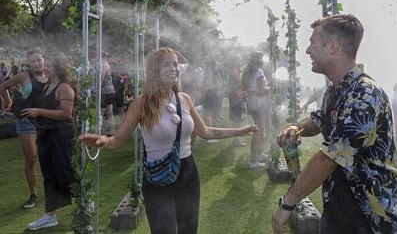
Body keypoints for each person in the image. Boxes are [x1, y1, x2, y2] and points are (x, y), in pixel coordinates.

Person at [78, 47, 257, 234]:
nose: (174, 68)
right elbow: (117, 140)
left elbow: (204, 131)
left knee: (189, 229)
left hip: (188, 172)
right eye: (167, 64)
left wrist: (239, 131)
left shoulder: (185, 99)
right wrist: (103, 141)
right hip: (158, 176)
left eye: (175, 64)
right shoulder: (142, 103)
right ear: (154, 70)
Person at [272, 14, 397, 234]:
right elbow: (319, 119)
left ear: (332, 46)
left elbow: (330, 158)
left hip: (375, 218)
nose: (308, 50)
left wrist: (288, 203)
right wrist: (296, 128)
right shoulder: (337, 89)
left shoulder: (364, 94)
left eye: (312, 42)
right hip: (343, 209)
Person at [21, 52, 76, 231]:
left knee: (66, 173)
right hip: (46, 136)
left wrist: (40, 111)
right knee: (49, 176)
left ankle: (86, 203)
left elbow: (66, 114)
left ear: (58, 68)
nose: (45, 68)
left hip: (61, 137)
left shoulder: (64, 88)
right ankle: (50, 216)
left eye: (50, 66)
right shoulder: (46, 87)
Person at [0, 47, 48, 209]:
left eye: (38, 60)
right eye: (32, 61)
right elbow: (3, 86)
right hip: (26, 121)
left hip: (46, 120)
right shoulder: (23, 76)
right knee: (31, 158)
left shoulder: (50, 75)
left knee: (49, 155)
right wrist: (9, 103)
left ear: (44, 59)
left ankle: (53, 188)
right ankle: (33, 194)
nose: (36, 63)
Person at [241, 51, 270, 169]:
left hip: (251, 103)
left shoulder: (246, 72)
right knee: (258, 130)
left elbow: (246, 89)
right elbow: (262, 90)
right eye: (262, 58)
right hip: (258, 103)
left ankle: (259, 154)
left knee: (260, 129)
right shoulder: (259, 72)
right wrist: (272, 88)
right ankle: (253, 160)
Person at [227, 55, 247, 147]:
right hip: (236, 97)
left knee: (237, 119)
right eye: (238, 60)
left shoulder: (237, 70)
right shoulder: (234, 71)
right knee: (237, 119)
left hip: (236, 96)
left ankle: (236, 140)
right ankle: (236, 140)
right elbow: (240, 82)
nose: (240, 61)